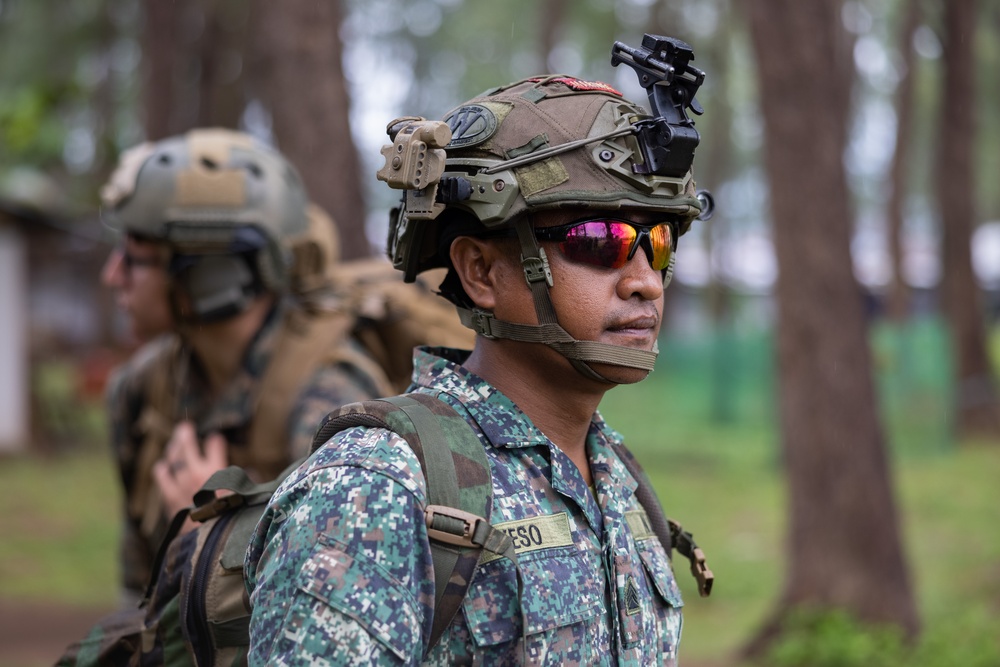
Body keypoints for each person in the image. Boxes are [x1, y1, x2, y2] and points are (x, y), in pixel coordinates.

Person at [246, 34, 711, 665]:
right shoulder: (375, 490)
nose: (644, 281)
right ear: (481, 272)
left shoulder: (615, 477)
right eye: (597, 240)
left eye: (656, 242)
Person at [99, 128, 390, 605]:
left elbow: (339, 607)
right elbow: (139, 599)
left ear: (211, 275)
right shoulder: (141, 387)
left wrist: (208, 540)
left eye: (134, 257)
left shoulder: (332, 402)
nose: (112, 276)